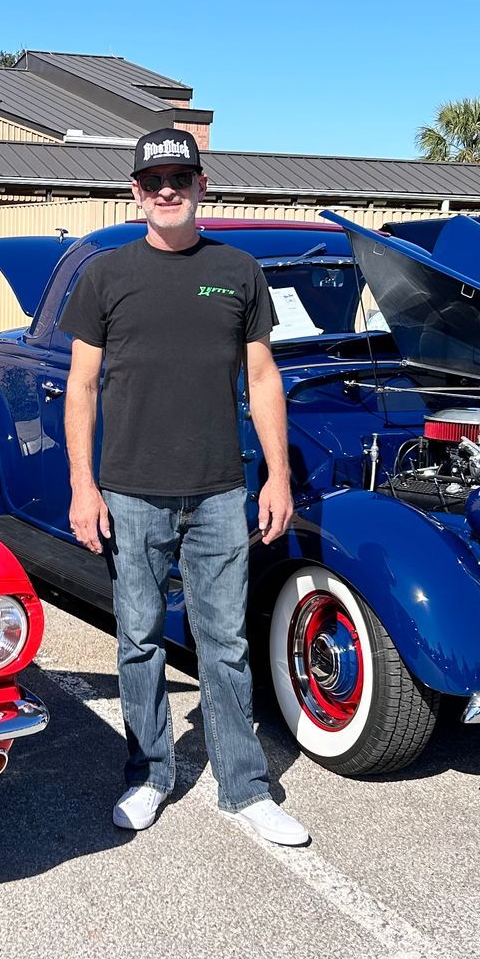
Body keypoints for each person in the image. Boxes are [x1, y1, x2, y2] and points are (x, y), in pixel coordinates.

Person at [58, 127, 310, 847]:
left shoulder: (238, 271)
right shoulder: (105, 275)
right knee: (138, 637)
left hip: (220, 492)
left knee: (223, 642)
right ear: (135, 192)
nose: (166, 189)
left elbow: (263, 380)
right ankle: (148, 775)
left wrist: (278, 476)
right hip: (130, 492)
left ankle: (245, 788)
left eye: (179, 177)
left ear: (202, 186)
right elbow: (81, 388)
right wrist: (83, 485)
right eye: (152, 180)